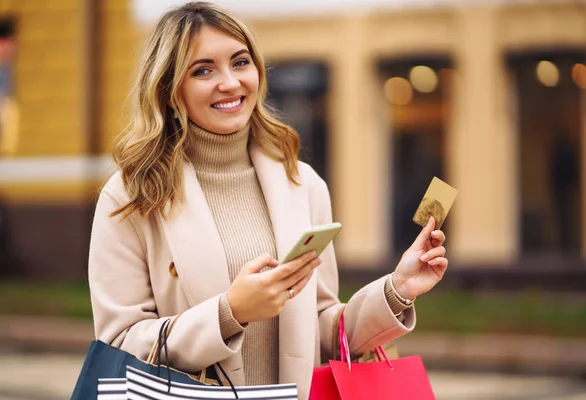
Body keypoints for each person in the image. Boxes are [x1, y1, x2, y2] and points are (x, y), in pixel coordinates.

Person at [88, 2, 448, 399]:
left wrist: (397, 289)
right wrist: (230, 313)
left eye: (240, 62)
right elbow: (120, 345)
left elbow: (322, 328)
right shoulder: (132, 194)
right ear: (170, 91)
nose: (229, 82)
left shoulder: (302, 184)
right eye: (203, 70)